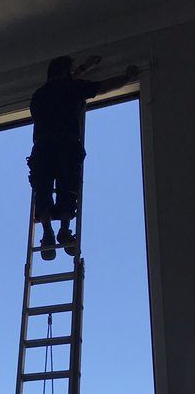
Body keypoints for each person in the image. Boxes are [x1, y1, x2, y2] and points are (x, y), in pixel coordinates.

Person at [28, 56, 138, 259]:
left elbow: (63, 82)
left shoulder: (39, 95)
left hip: (42, 148)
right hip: (66, 145)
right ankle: (63, 230)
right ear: (65, 72)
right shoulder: (71, 88)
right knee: (67, 187)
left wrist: (85, 67)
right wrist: (127, 77)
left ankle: (47, 232)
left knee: (42, 189)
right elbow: (102, 86)